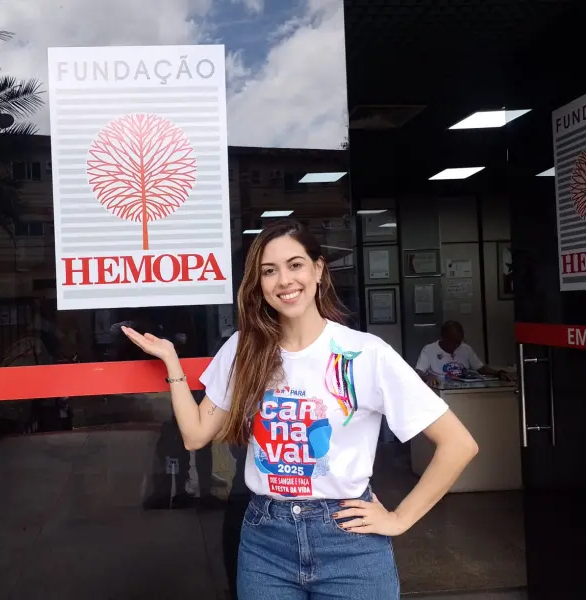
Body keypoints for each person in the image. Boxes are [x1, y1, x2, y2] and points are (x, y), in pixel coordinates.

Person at [121, 219, 478, 600]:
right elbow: (195, 435)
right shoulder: (245, 350)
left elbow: (458, 444)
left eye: (295, 265)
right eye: (269, 271)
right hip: (265, 543)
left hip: (349, 543)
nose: (284, 281)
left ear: (318, 270)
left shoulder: (364, 353)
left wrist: (400, 518)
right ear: (259, 284)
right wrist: (173, 363)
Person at [415, 320, 515, 383]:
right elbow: (418, 372)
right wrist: (427, 376)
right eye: (453, 342)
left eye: (459, 341)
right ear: (442, 338)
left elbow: (480, 368)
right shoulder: (429, 349)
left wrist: (498, 373)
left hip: (463, 389)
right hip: (440, 390)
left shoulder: (465, 348)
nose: (456, 345)